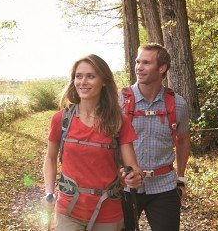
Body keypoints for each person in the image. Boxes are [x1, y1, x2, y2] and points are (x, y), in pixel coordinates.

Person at [43, 54, 144, 231]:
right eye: (79, 76)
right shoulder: (61, 119)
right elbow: (50, 158)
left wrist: (134, 177)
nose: (83, 81)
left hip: (108, 212)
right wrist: (49, 192)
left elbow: (133, 167)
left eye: (91, 76)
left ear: (104, 81)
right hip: (68, 210)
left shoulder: (118, 121)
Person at [120, 43, 191, 231]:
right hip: (125, 187)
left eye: (146, 63)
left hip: (164, 187)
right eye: (137, 61)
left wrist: (181, 178)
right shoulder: (120, 101)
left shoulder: (178, 104)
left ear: (162, 68)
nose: (139, 67)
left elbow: (183, 140)